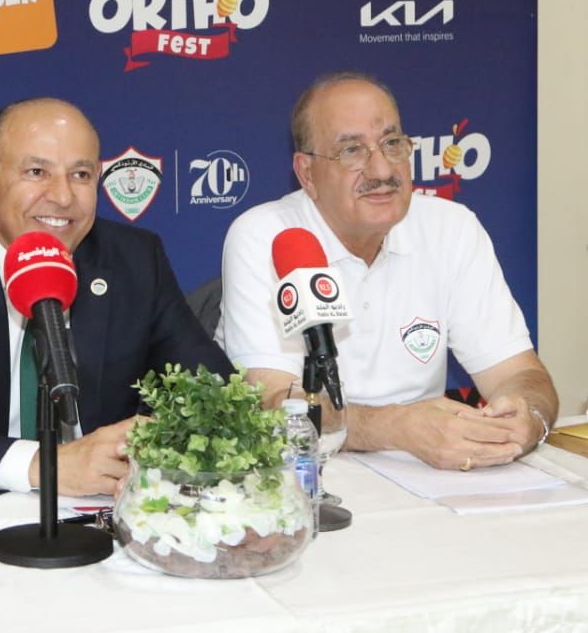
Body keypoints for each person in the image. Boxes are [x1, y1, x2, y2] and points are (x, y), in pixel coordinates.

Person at [0, 98, 233, 498]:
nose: (63, 197)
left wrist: (146, 442)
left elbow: (218, 396)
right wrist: (42, 465)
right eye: (37, 172)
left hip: (100, 508)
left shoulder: (135, 260)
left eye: (80, 175)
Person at [216, 72, 557, 471]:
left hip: (428, 479)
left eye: (392, 144)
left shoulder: (451, 227)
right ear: (306, 173)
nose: (380, 170)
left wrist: (527, 418)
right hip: (303, 476)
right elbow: (271, 403)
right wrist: (396, 427)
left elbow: (522, 374)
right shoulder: (266, 236)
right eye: (351, 151)